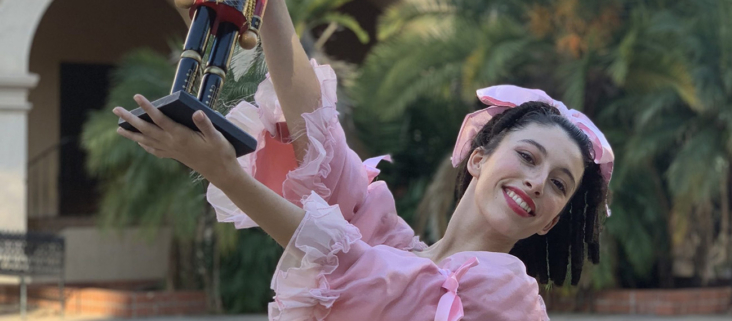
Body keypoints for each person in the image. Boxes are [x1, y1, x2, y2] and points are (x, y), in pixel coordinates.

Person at [113, 1, 613, 320]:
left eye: (558, 185)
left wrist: (223, 172)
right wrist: (268, 7)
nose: (536, 182)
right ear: (478, 159)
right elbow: (324, 147)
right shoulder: (400, 248)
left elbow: (351, 263)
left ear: (553, 219)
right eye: (528, 157)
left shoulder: (508, 295)